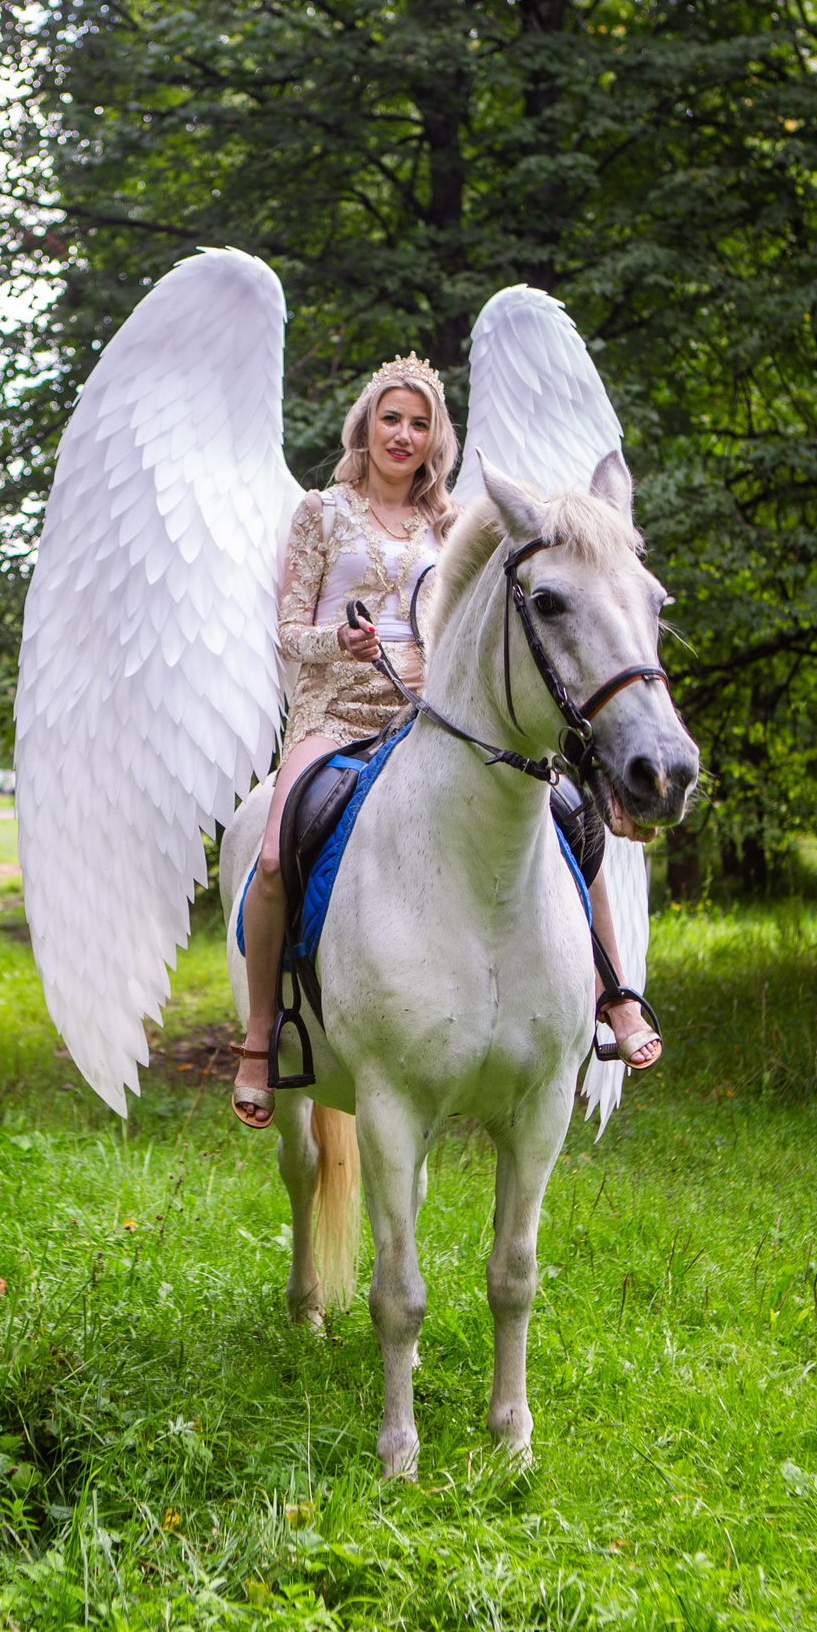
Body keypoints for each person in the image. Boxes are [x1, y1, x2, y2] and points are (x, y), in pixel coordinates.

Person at [230, 354, 663, 1128]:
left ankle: (615, 994)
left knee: (568, 814)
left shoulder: (454, 520)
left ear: (437, 438)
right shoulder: (320, 513)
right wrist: (341, 639)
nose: (404, 434)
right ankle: (263, 1035)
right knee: (269, 856)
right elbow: (287, 630)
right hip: (335, 713)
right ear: (366, 424)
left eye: (420, 422)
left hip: (432, 713)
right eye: (391, 418)